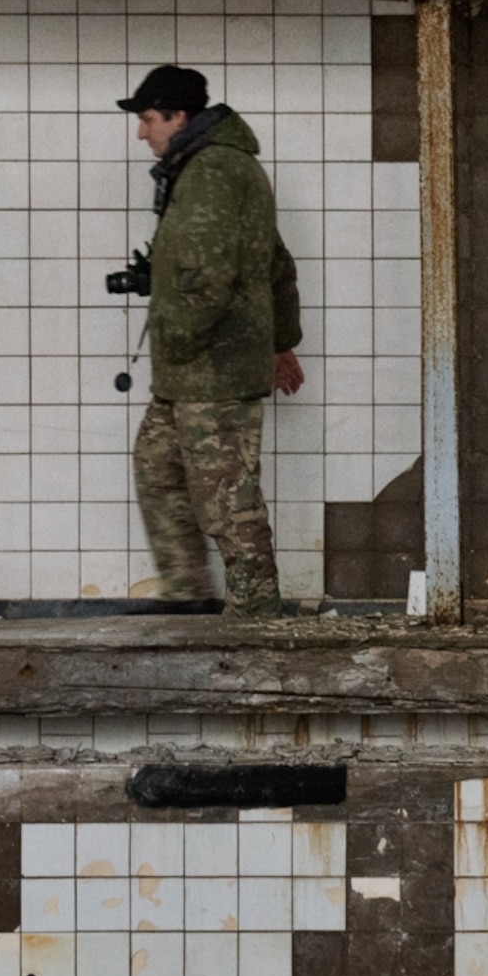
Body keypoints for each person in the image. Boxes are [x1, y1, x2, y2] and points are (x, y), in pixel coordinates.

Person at [120, 65, 304, 616]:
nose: (141, 132)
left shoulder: (213, 171)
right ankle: (188, 594)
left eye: (148, 119)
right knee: (158, 469)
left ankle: (255, 611)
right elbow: (273, 262)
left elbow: (208, 275)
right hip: (190, 371)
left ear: (178, 116)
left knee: (226, 495)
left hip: (211, 368)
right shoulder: (203, 167)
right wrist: (282, 341)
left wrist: (176, 334)